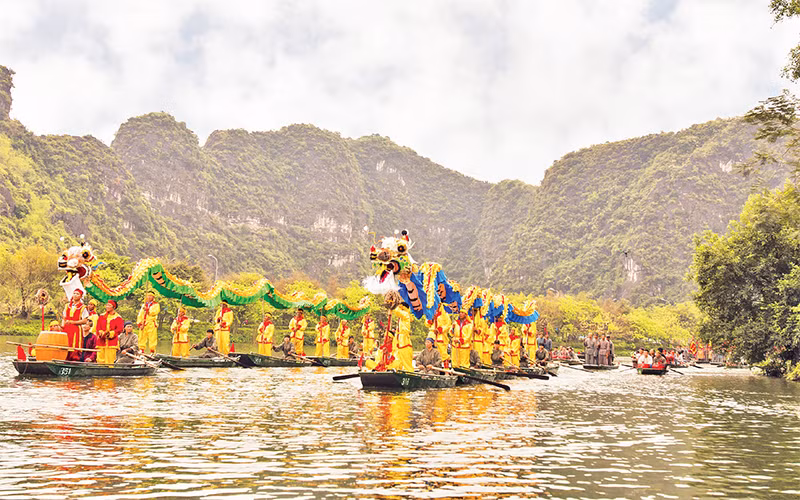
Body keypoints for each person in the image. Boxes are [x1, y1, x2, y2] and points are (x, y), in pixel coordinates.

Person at [62, 289, 89, 361]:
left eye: (77, 294)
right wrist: (62, 327)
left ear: (80, 296)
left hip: (76, 329)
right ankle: (64, 359)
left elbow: (85, 320)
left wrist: (73, 322)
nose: (75, 295)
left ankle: (74, 360)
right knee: (65, 344)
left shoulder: (82, 307)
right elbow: (64, 318)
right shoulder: (67, 306)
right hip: (66, 329)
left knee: (75, 345)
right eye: (74, 293)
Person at [96, 300, 123, 364]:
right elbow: (98, 327)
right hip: (101, 341)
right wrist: (101, 333)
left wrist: (110, 334)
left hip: (112, 342)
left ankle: (109, 371)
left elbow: (119, 329)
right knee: (100, 359)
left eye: (109, 305)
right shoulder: (101, 316)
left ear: (113, 307)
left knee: (110, 360)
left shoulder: (118, 317)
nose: (107, 306)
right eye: (107, 305)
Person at [428, 303, 452, 368]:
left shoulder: (445, 315)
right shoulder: (431, 313)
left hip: (441, 336)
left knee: (443, 353)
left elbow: (448, 325)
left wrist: (440, 330)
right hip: (432, 334)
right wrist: (430, 320)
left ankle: (446, 370)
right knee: (431, 352)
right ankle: (433, 369)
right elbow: (427, 324)